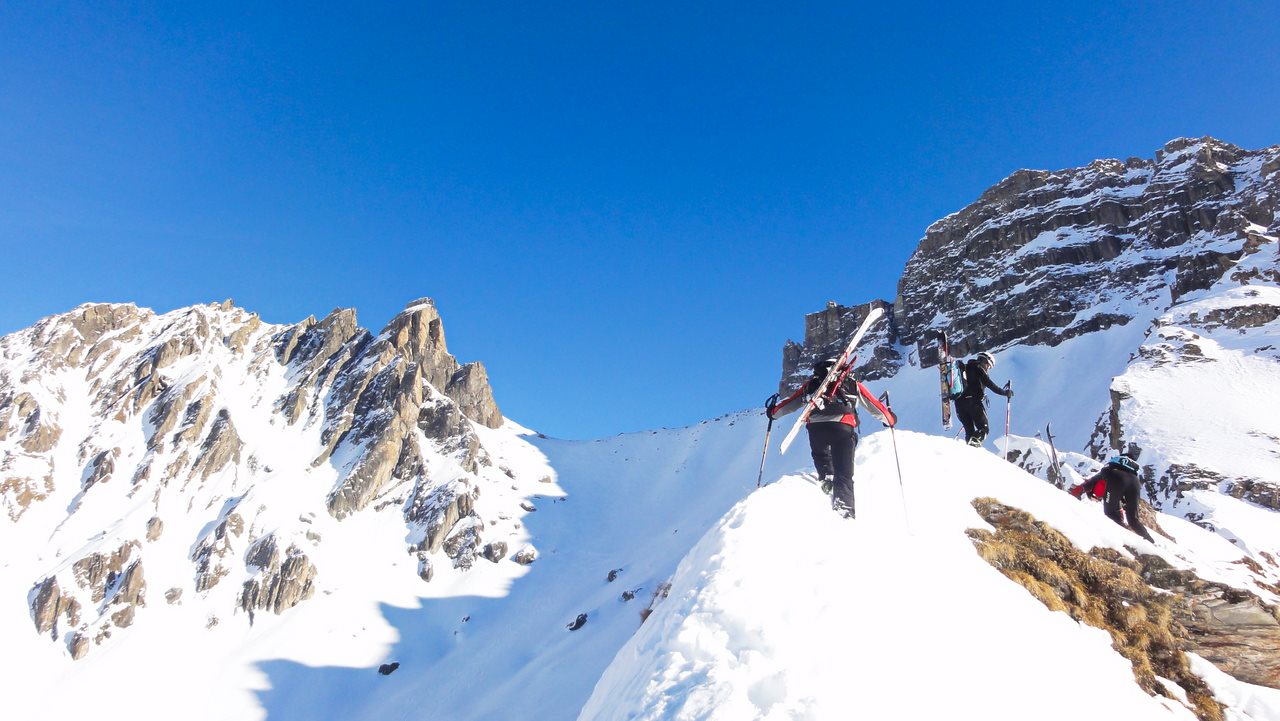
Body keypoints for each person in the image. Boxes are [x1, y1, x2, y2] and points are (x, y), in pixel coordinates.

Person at [767, 357, 896, 519]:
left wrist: (772, 413)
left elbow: (789, 404)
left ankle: (825, 478)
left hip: (816, 428)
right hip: (843, 427)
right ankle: (845, 512)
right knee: (844, 474)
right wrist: (890, 419)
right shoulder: (851, 383)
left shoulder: (812, 385)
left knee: (821, 456)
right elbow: (875, 406)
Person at [1070, 451, 1155, 543]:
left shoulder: (1111, 468)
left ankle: (1121, 543)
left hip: (1115, 478)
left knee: (1110, 513)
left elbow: (1091, 482)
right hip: (1135, 483)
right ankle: (1150, 541)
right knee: (1133, 519)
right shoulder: (1132, 473)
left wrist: (1074, 494)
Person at [953, 351, 1012, 447]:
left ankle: (969, 449)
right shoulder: (978, 368)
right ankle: (973, 448)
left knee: (969, 430)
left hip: (959, 404)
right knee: (983, 428)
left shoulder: (963, 368)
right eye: (989, 366)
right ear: (985, 361)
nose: (988, 368)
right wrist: (1005, 392)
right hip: (973, 403)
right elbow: (990, 384)